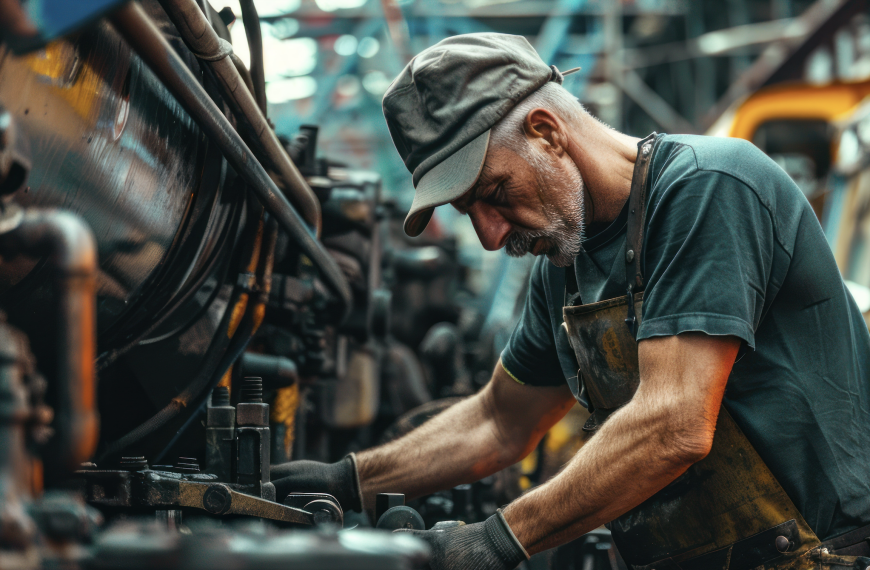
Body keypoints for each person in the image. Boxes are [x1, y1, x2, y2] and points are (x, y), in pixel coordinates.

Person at [272, 33, 870, 570]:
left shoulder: (708, 188)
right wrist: (347, 480)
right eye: (467, 213)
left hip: (825, 554)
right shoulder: (566, 267)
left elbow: (674, 426)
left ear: (546, 132)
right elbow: (500, 420)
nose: (489, 235)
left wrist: (494, 540)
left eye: (494, 192)